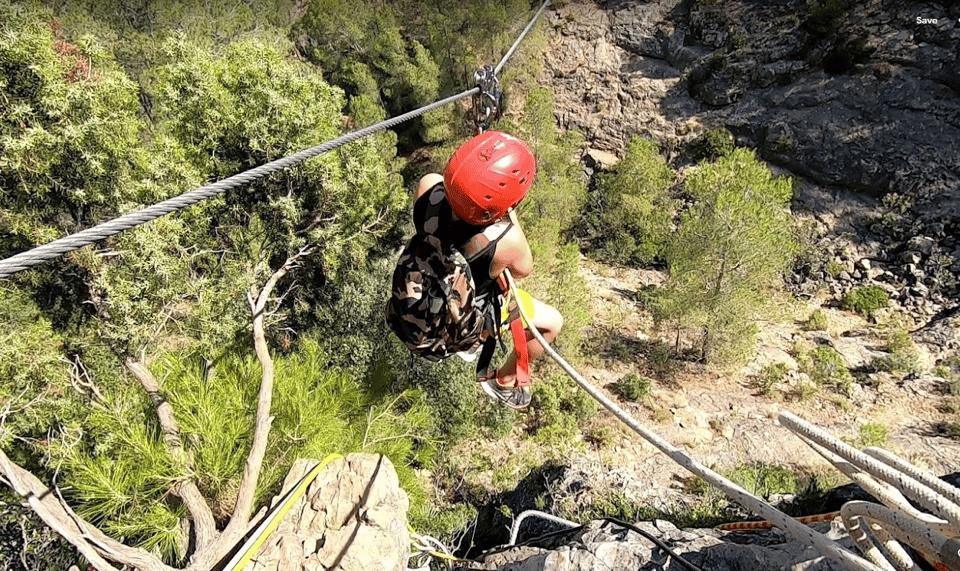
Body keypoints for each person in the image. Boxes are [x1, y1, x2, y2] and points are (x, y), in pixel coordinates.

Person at [412, 131, 563, 410]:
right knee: (552, 323)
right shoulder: (506, 240)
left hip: (423, 284)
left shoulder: (428, 186)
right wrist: (507, 212)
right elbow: (523, 269)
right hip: (465, 312)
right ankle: (503, 381)